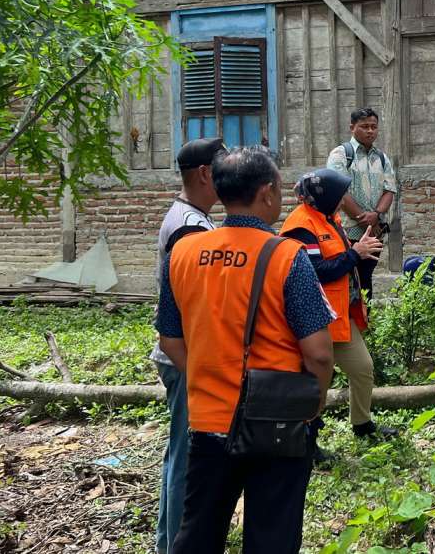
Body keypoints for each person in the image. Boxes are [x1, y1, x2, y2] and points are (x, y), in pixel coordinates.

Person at [155, 146, 335, 553]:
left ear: (219, 191)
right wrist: (314, 403)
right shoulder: (286, 255)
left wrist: (206, 376)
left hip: (208, 421)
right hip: (278, 423)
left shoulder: (182, 253)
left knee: (198, 532)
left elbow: (169, 339)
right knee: (272, 535)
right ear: (267, 193)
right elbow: (320, 352)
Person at [281, 169, 398, 445]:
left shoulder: (327, 217)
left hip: (338, 315)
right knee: (316, 380)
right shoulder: (300, 226)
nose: (345, 199)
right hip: (315, 319)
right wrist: (354, 254)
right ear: (325, 196)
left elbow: (340, 254)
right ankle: (308, 438)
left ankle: (362, 423)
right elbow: (314, 271)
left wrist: (359, 248)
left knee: (362, 368)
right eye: (341, 194)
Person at [151, 137, 225, 554]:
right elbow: (188, 301)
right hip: (186, 356)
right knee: (186, 457)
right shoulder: (189, 227)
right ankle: (178, 542)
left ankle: (171, 539)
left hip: (184, 354)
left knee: (180, 452)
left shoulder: (192, 218)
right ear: (204, 174)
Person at [326, 107, 398, 300]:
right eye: (364, 126)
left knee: (365, 279)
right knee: (347, 280)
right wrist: (363, 218)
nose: (370, 131)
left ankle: (366, 325)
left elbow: (389, 190)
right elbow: (339, 191)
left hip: (374, 232)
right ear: (352, 127)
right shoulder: (340, 155)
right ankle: (348, 325)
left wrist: (375, 215)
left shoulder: (382, 158)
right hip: (347, 232)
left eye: (373, 127)